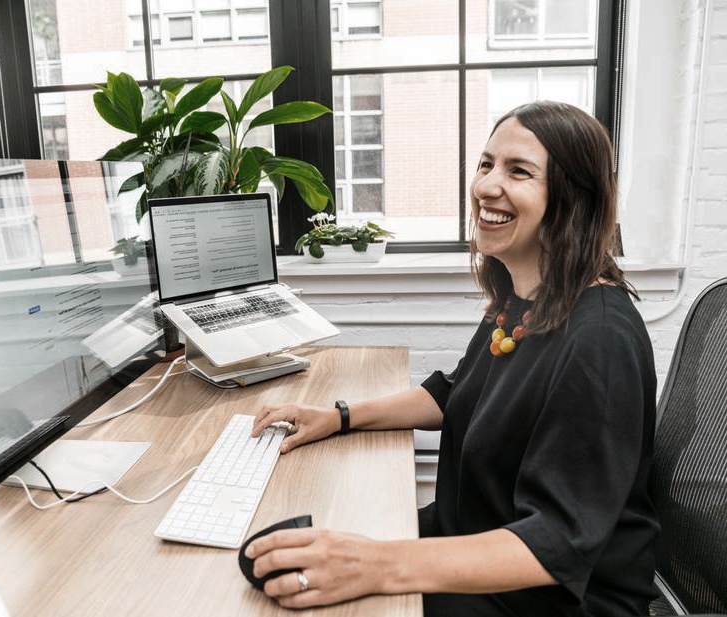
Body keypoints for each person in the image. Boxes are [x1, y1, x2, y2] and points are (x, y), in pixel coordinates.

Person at [247, 100, 659, 617]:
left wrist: (378, 564)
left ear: (572, 199)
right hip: (476, 539)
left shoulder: (599, 338)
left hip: (552, 595)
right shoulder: (526, 301)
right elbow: (456, 391)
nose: (486, 186)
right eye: (486, 164)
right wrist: (337, 417)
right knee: (278, 554)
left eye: (519, 171)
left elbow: (558, 541)